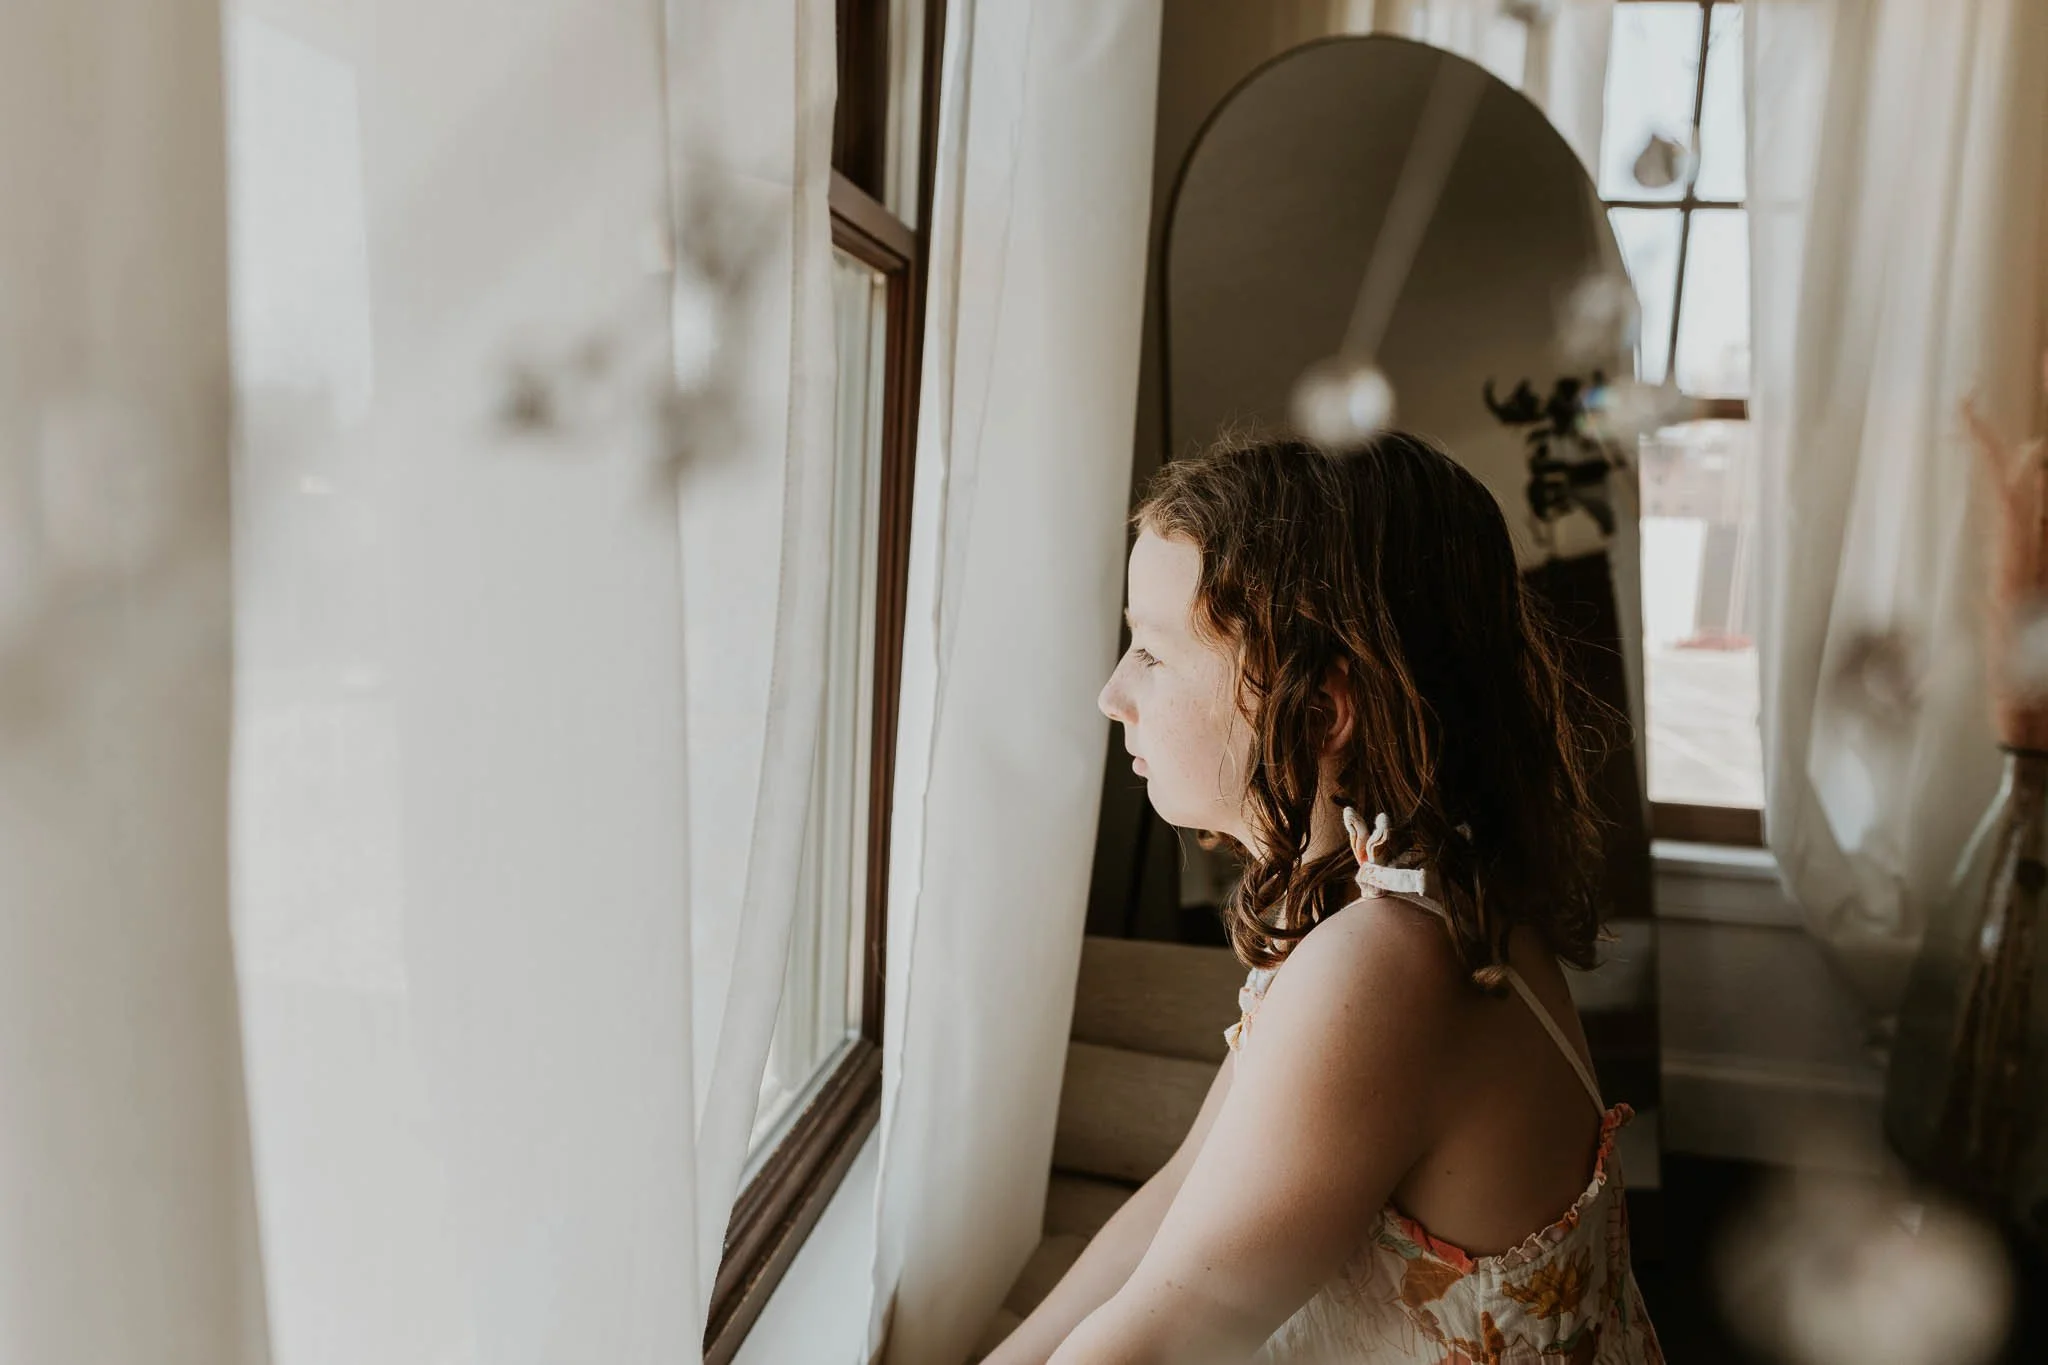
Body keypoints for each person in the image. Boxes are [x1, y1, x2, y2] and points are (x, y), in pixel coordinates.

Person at [990, 431, 1662, 1364]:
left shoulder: (1385, 962)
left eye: (1152, 652)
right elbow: (1179, 1201)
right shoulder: (1390, 901)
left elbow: (1159, 1338)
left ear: (1317, 708)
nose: (1112, 693)